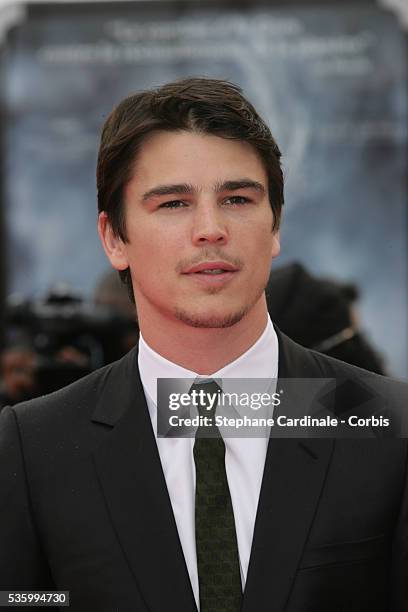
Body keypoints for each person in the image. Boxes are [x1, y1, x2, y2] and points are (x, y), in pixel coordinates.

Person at [0, 77, 407, 612]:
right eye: (173, 204)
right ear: (114, 238)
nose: (210, 229)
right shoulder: (33, 450)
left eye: (237, 198)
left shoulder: (388, 427)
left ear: (275, 224)